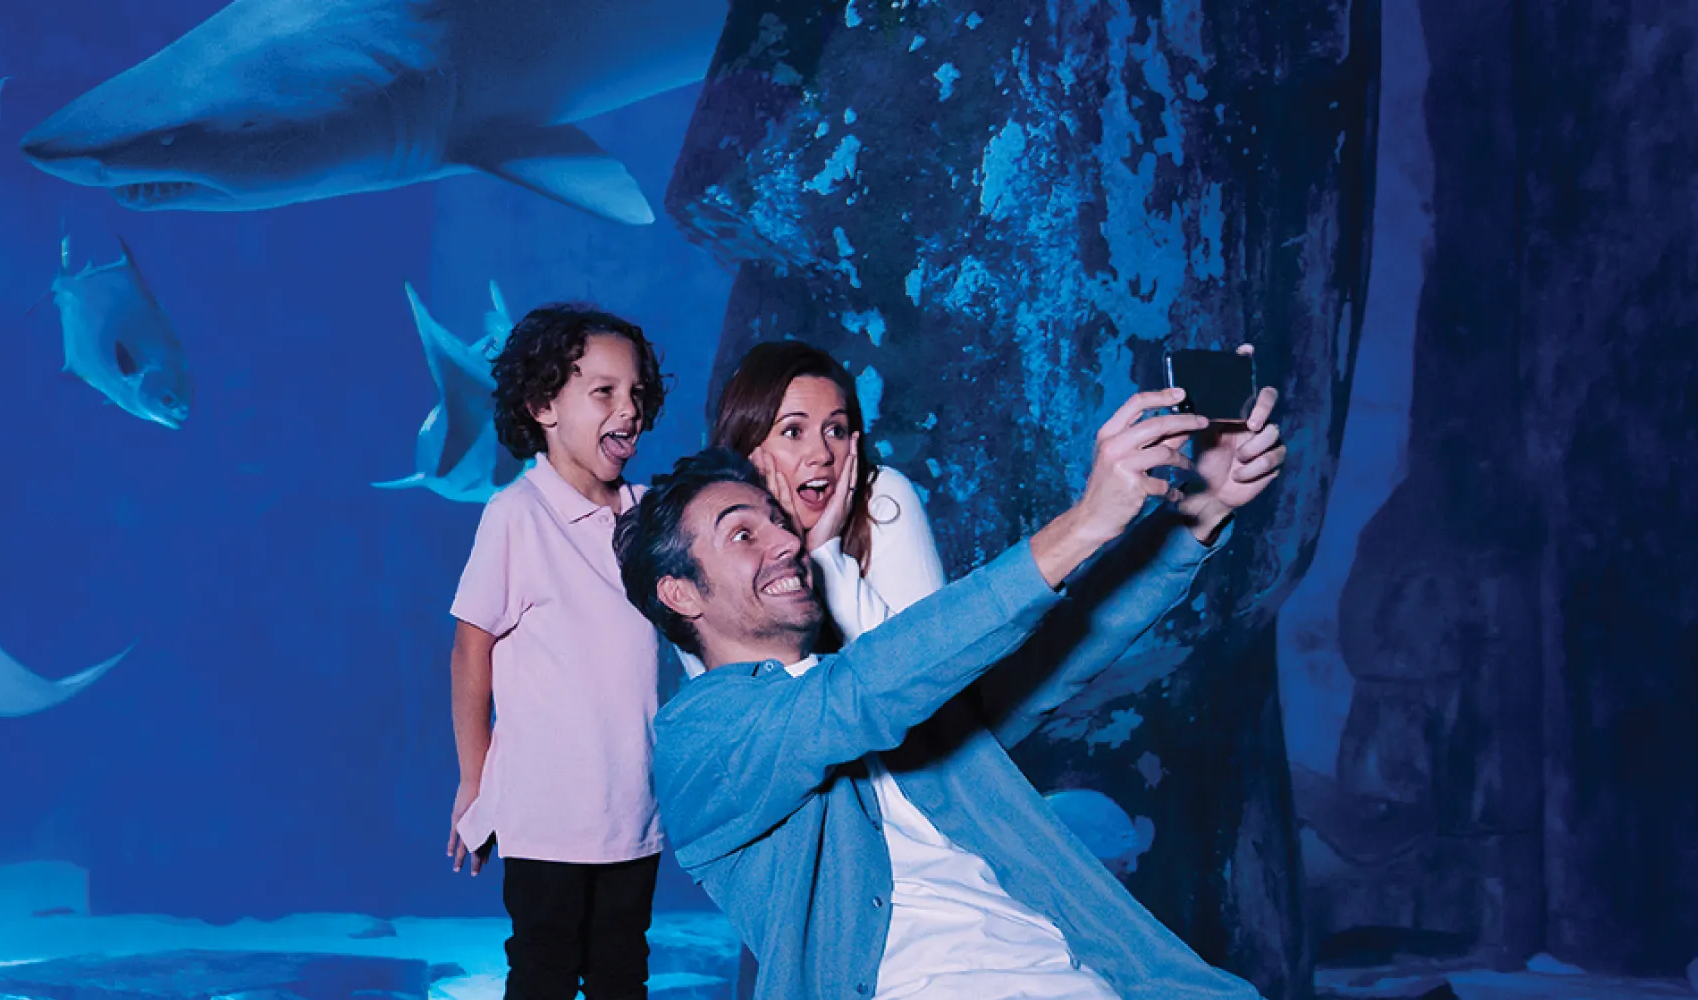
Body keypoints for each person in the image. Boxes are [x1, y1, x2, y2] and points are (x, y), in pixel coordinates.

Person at [614, 383, 1287, 1000]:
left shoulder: (891, 694)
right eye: (742, 533)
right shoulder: (699, 742)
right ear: (679, 592)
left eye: (777, 521)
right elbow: (858, 696)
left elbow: (1065, 645)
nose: (786, 541)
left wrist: (1202, 506)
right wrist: (1086, 520)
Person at [446, 303, 670, 1000]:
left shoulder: (649, 513)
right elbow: (468, 648)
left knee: (622, 977)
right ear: (543, 403)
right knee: (541, 976)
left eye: (635, 393)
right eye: (603, 392)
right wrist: (473, 781)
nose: (627, 410)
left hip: (632, 813)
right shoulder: (516, 515)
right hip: (544, 818)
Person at [704, 340, 950, 657]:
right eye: (793, 431)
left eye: (835, 430)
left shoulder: (882, 499)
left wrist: (825, 556)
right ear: (747, 449)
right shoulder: (706, 540)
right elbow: (755, 699)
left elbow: (931, 668)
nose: (822, 454)